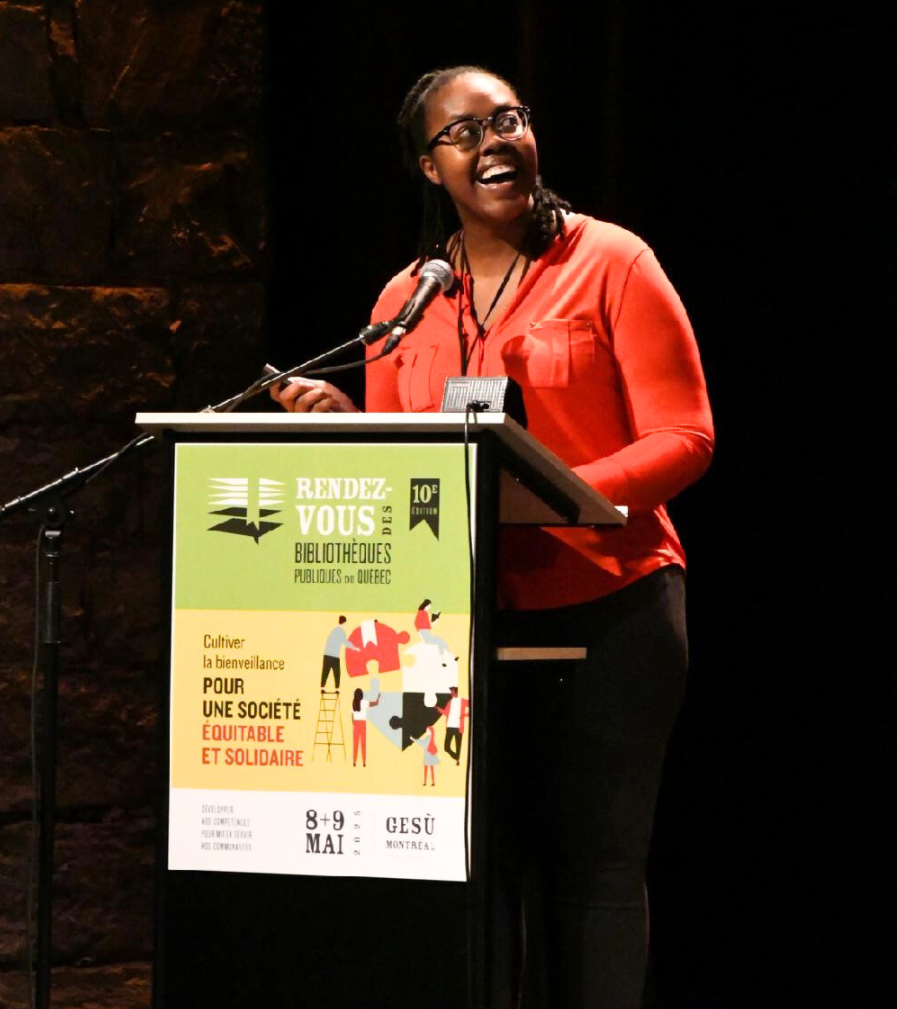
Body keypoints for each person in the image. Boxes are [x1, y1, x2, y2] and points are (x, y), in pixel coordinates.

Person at [273, 66, 713, 1008]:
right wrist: (349, 420)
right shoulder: (406, 298)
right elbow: (411, 467)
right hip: (459, 629)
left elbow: (686, 437)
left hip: (613, 610)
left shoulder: (613, 262)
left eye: (508, 121)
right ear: (430, 169)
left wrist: (565, 495)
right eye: (464, 133)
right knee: (482, 873)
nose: (494, 143)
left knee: (594, 874)